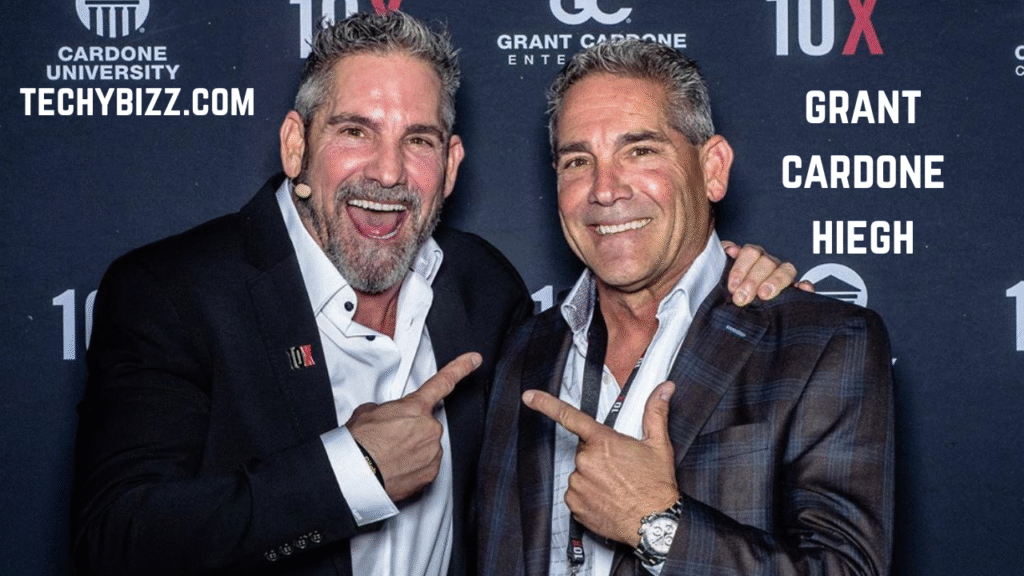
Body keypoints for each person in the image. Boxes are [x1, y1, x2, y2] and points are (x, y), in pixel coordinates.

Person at [71, 12, 800, 576]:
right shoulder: (173, 292)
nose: (388, 173)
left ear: (450, 165)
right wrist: (351, 473)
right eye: (355, 131)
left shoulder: (481, 288)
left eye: (418, 140)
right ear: (297, 146)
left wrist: (723, 270)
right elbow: (115, 538)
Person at [477, 40, 894, 576]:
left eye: (640, 151)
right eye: (578, 161)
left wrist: (656, 525)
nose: (604, 190)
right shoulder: (523, 348)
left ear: (712, 169)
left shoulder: (822, 344)